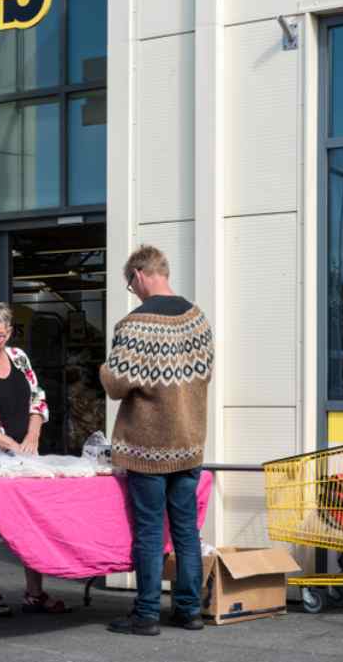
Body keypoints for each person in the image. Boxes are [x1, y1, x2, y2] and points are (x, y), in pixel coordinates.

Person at [100, 245, 214, 636]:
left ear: (140, 274)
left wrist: (103, 369)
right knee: (186, 531)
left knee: (149, 531)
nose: (131, 291)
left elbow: (116, 385)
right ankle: (189, 610)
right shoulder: (197, 319)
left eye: (129, 283)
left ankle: (147, 613)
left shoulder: (133, 325)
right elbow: (204, 375)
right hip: (189, 441)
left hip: (147, 447)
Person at [0, 301, 68, 617]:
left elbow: (38, 399)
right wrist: (13, 445)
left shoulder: (19, 358)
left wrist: (32, 436)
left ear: (9, 333)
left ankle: (35, 592)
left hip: (23, 454)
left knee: (31, 519)